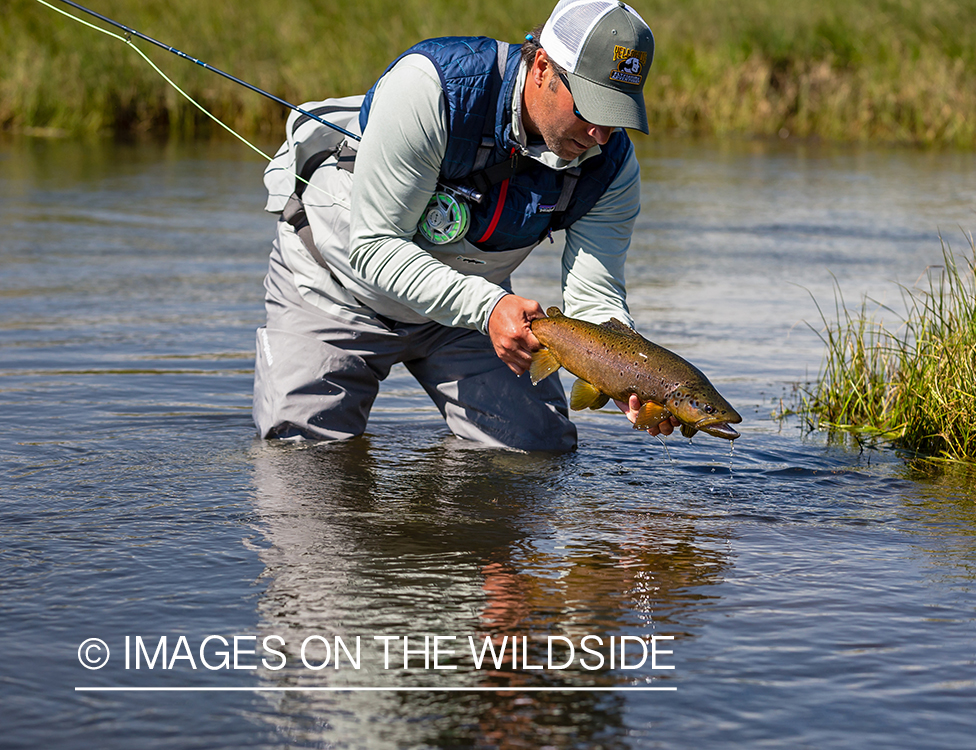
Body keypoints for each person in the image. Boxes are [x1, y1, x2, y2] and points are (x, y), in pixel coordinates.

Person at [253, 0, 673, 451]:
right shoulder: (431, 89)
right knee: (301, 465)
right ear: (544, 67)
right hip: (336, 290)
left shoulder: (611, 168)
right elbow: (375, 247)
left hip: (466, 311)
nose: (602, 135)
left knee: (539, 450)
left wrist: (620, 373)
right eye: (591, 107)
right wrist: (489, 309)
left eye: (617, 114)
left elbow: (595, 298)